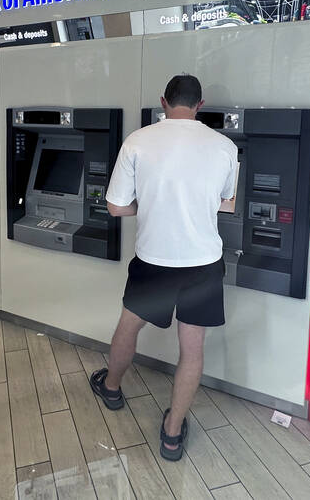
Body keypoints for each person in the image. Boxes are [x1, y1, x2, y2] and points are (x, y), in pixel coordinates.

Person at [89, 74, 238, 461]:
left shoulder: (138, 141)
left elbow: (117, 207)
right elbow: (228, 203)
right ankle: (172, 434)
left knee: (129, 326)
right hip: (203, 264)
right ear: (200, 106)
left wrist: (152, 205)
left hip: (154, 261)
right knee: (192, 349)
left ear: (163, 102)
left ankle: (112, 387)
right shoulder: (224, 146)